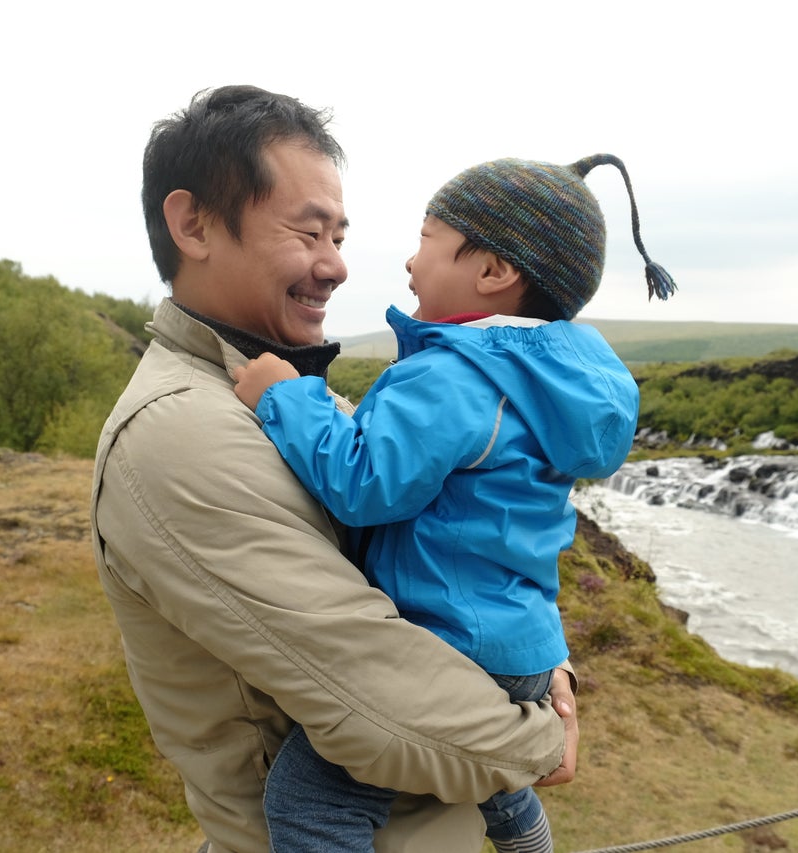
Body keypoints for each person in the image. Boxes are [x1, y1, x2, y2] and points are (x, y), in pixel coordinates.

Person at [90, 85, 579, 853]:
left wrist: (541, 663)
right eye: (309, 233)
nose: (337, 267)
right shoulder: (181, 434)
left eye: (340, 237)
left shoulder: (280, 397)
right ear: (193, 224)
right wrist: (540, 739)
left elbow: (465, 542)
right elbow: (379, 694)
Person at [233, 154, 677, 852]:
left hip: (448, 643)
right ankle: (529, 839)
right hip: (524, 651)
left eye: (427, 239)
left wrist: (284, 396)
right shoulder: (550, 378)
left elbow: (364, 486)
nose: (410, 263)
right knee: (490, 766)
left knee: (311, 801)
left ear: (494, 271)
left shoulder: (452, 376)